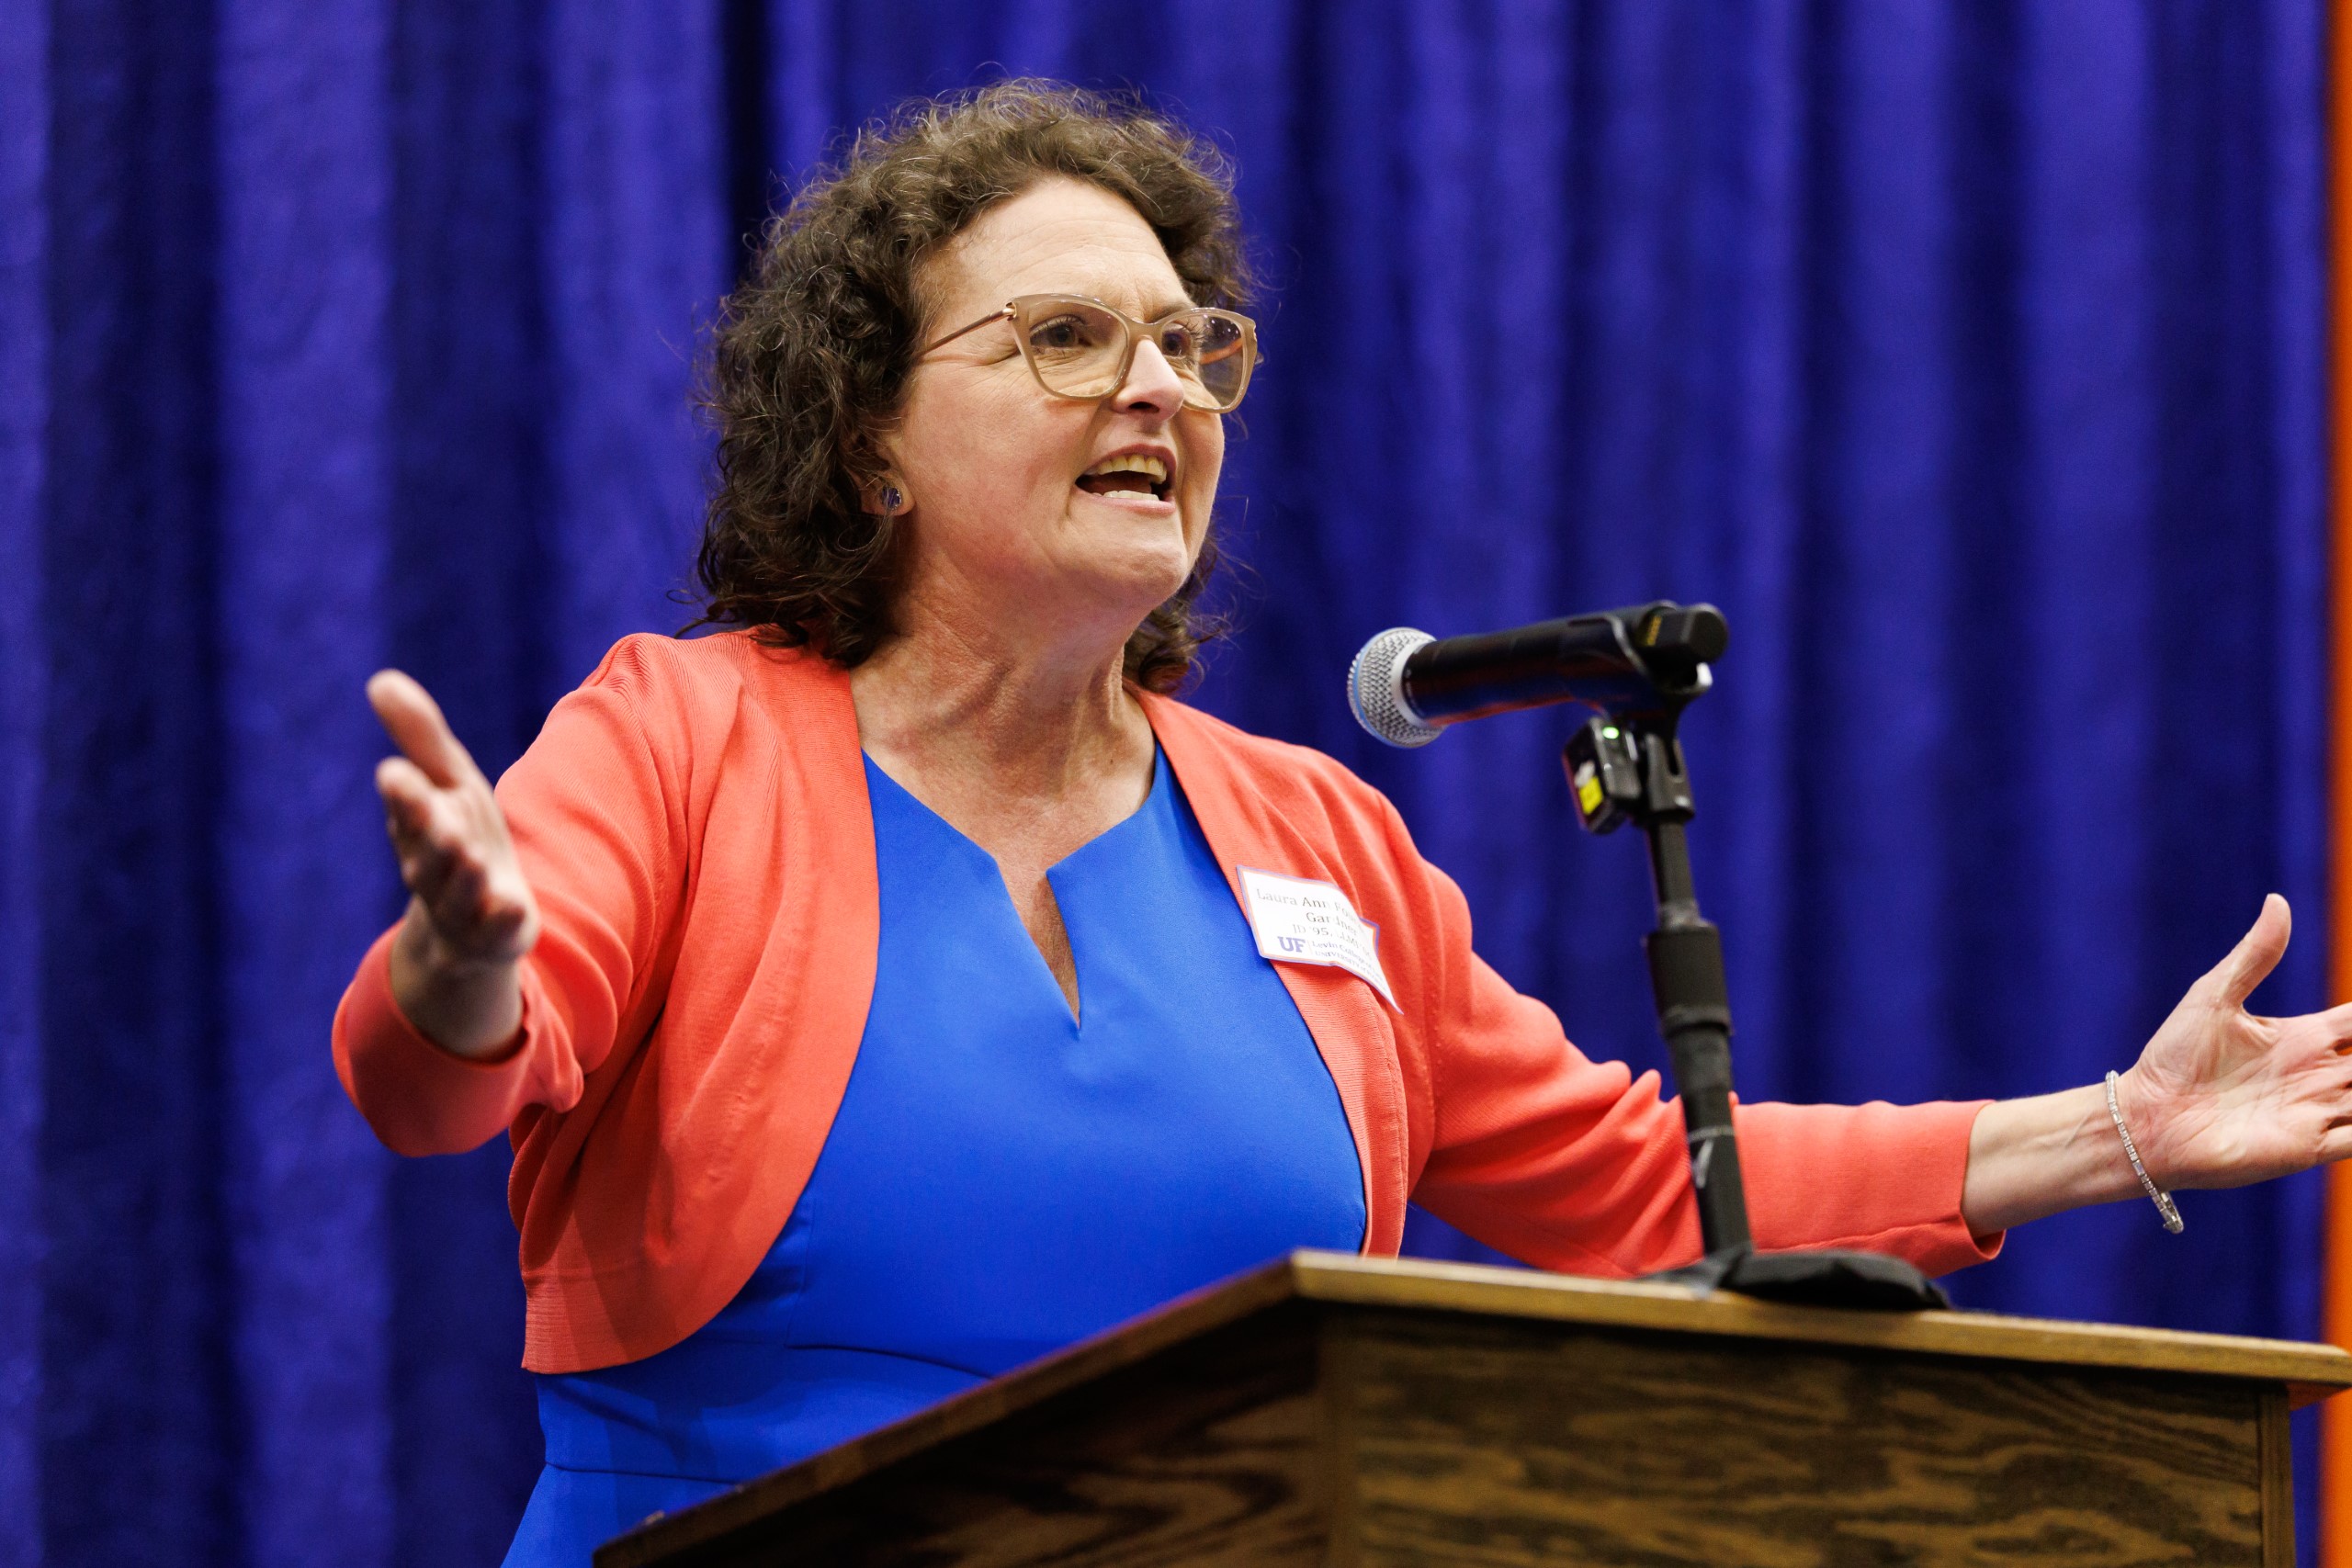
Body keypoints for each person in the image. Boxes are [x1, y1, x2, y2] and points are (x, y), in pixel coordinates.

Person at [334, 82, 2352, 1564]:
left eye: (1188, 343)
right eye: (1065, 339)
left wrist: (2118, 1129)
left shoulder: (1310, 834)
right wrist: (464, 968)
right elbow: (436, 1079)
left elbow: (1642, 1186)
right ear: (872, 440)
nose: (1158, 387)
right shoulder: (685, 736)